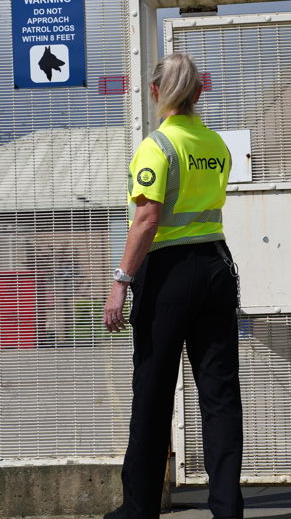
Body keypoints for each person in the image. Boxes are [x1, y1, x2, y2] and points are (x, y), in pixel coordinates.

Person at [103, 53, 244, 519]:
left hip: (167, 274)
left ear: (156, 91)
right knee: (220, 394)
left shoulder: (156, 146)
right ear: (199, 92)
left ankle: (138, 509)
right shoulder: (216, 145)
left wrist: (120, 281)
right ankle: (226, 509)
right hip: (217, 268)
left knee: (153, 393)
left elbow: (146, 220)